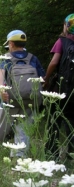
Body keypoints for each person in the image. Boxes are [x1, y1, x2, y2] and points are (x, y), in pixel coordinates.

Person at [0, 30, 45, 157]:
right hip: (29, 101)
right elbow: (42, 78)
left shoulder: (6, 58)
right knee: (23, 129)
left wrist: (1, 90)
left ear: (11, 43)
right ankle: (18, 156)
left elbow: (0, 73)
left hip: (9, 99)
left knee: (1, 127)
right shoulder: (33, 58)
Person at [43, 13, 74, 161]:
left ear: (66, 26)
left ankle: (51, 153)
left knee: (54, 120)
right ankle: (71, 155)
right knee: (72, 123)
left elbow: (54, 62)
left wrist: (47, 79)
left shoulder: (62, 41)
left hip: (62, 88)